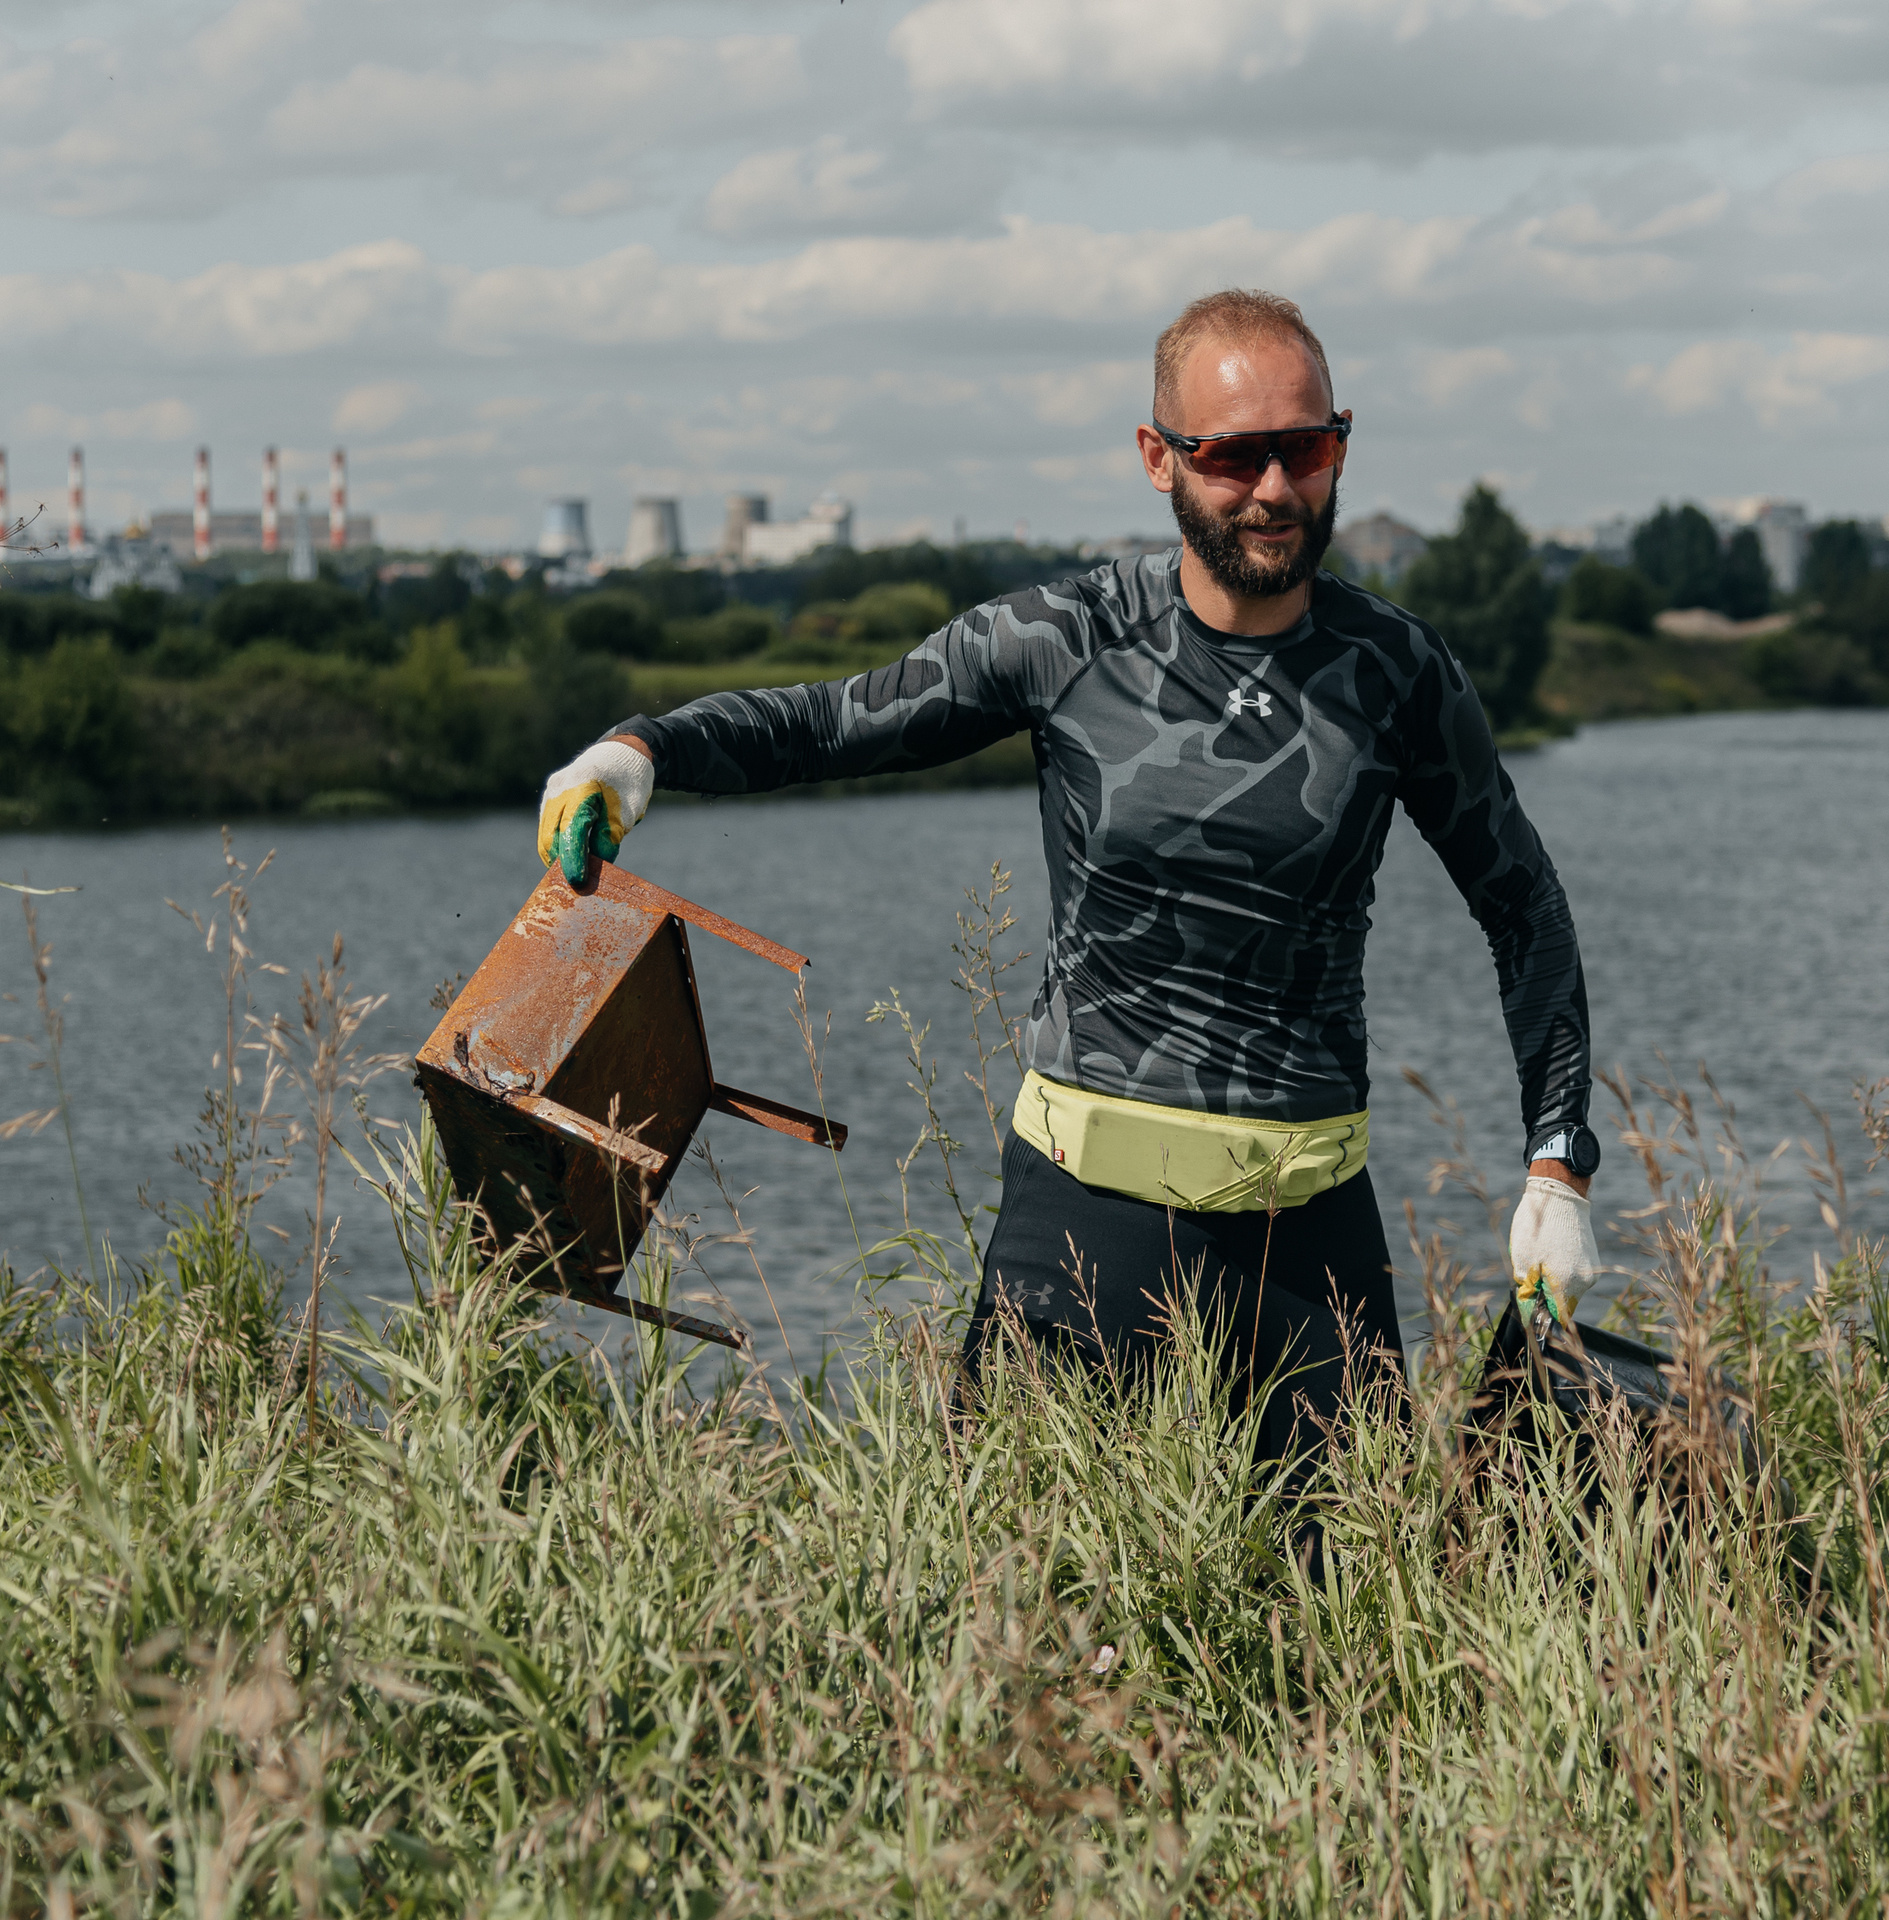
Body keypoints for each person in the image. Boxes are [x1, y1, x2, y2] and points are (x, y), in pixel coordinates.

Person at [533, 288, 1602, 1476]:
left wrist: (1557, 1164)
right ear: (1158, 458)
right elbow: (835, 722)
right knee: (1028, 1607)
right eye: (1232, 456)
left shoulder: (1396, 673)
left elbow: (1526, 913)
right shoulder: (1067, 637)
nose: (1274, 490)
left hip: (1307, 1249)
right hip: (1080, 1222)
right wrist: (643, 751)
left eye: (1307, 449)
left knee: (1341, 1617)